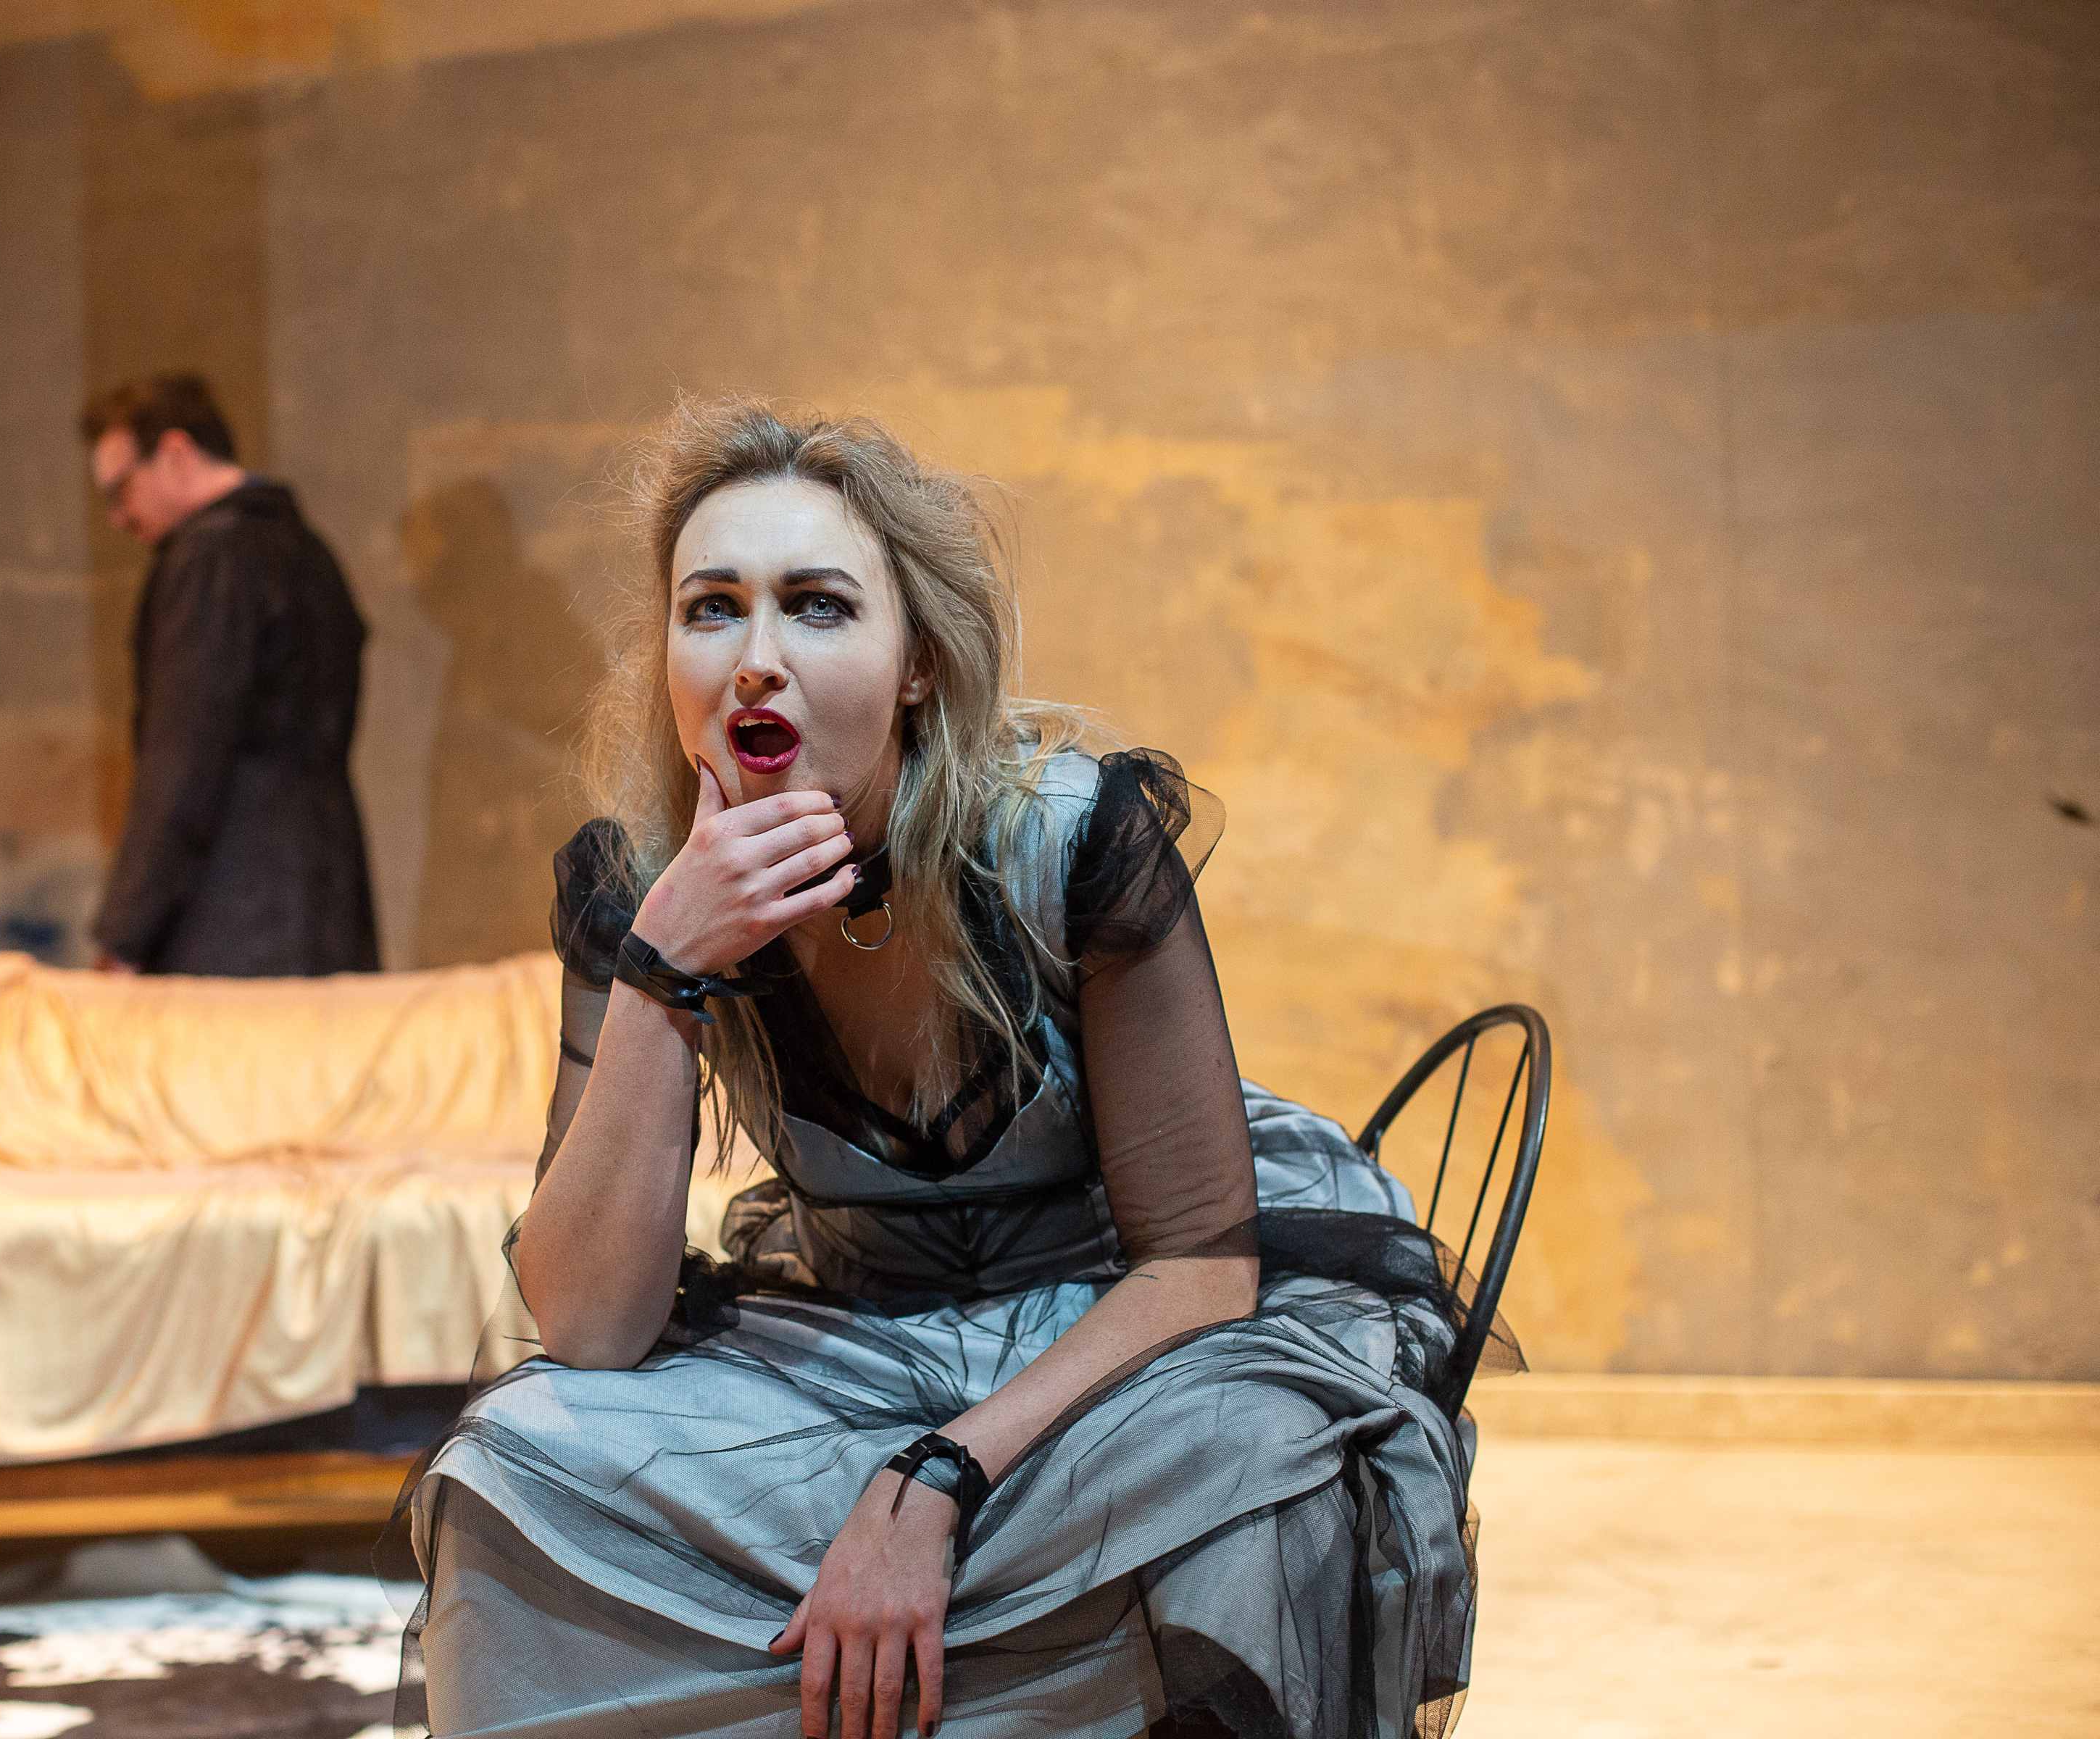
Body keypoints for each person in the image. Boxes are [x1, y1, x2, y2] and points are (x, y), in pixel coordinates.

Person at [399, 399, 1504, 1739]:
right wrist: (661, 968)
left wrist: (936, 1478)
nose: (756, 661)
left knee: (1261, 1470)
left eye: (817, 607)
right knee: (518, 1461)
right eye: (713, 610)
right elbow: (586, 1326)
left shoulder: (1075, 840)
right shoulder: (636, 889)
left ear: (916, 663)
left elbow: (1200, 1269)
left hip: (1123, 1326)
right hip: (861, 1327)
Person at [80, 373, 378, 976]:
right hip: (332, 907)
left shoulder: (210, 558)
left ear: (176, 454)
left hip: (234, 925)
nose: (117, 516)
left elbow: (183, 759)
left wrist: (124, 939)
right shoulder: (309, 550)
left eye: (121, 489)